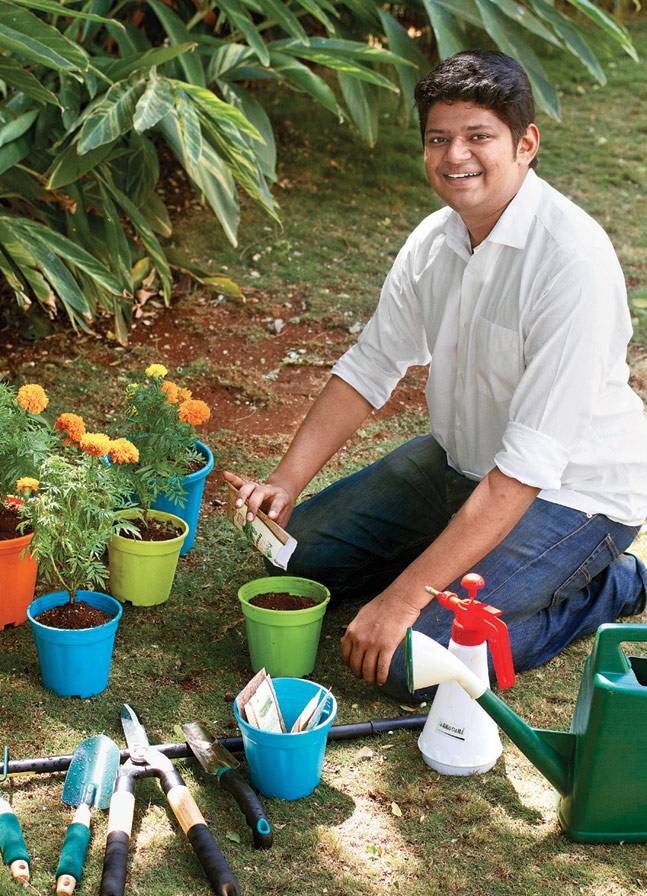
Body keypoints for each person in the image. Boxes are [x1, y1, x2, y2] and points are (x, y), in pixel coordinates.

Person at [224, 50, 647, 700]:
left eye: (478, 137)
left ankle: (612, 585)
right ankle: (453, 556)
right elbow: (370, 366)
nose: (455, 157)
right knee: (294, 557)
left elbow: (524, 471)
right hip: (458, 465)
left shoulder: (572, 263)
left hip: (571, 495)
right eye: (438, 139)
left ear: (525, 144)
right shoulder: (434, 239)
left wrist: (402, 600)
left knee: (412, 658)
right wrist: (286, 480)